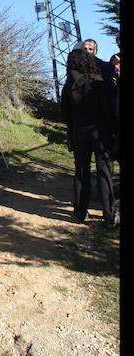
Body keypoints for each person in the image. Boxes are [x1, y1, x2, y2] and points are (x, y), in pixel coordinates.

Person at [61, 48, 118, 227]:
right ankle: (109, 214)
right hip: (100, 131)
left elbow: (64, 112)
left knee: (81, 171)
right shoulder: (98, 81)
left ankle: (80, 211)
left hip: (79, 131)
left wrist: (72, 126)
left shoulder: (69, 85)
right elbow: (109, 109)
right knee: (104, 171)